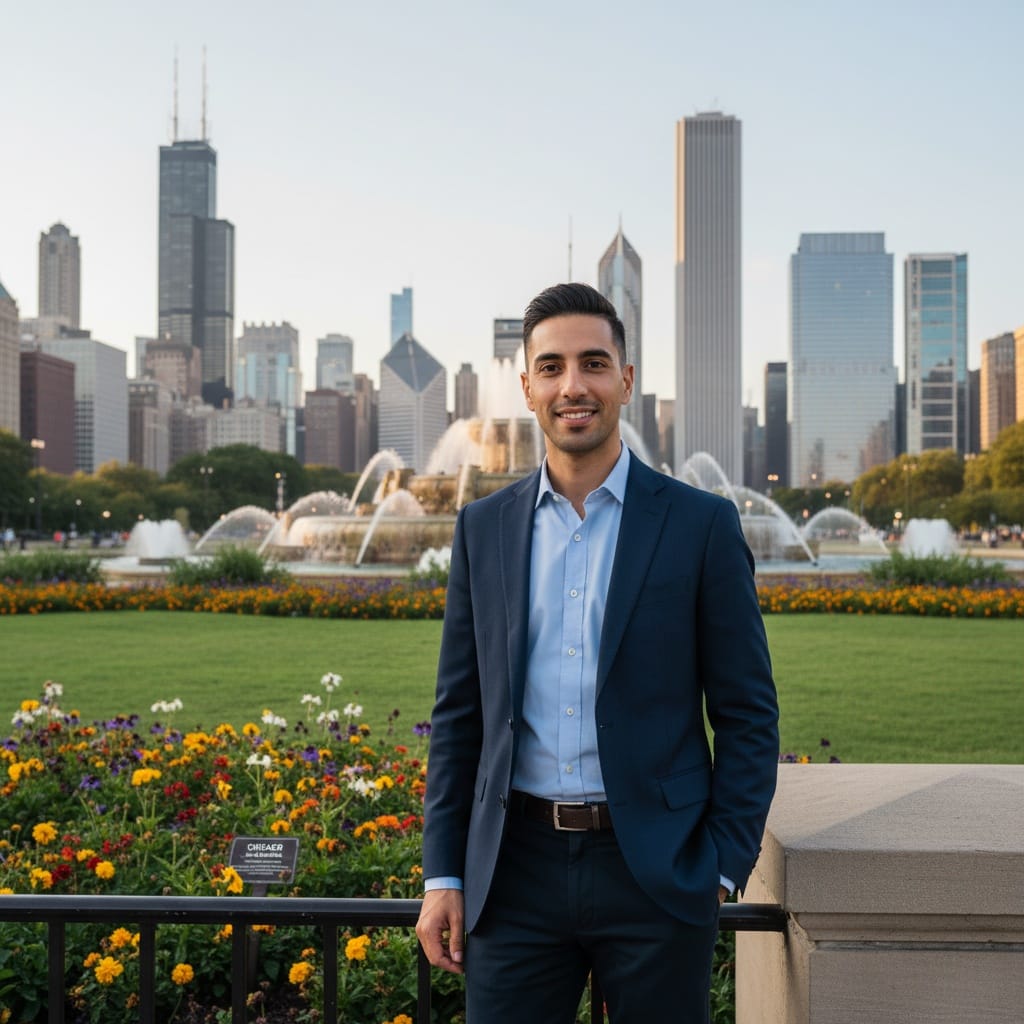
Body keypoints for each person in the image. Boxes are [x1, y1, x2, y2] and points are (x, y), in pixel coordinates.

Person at [416, 282, 779, 1023]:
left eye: (593, 363)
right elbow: (460, 716)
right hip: (512, 874)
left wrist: (720, 868)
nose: (572, 386)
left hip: (656, 873)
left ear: (626, 379)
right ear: (527, 387)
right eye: (551, 368)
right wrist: (443, 873)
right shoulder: (483, 529)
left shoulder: (701, 525)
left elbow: (748, 713)